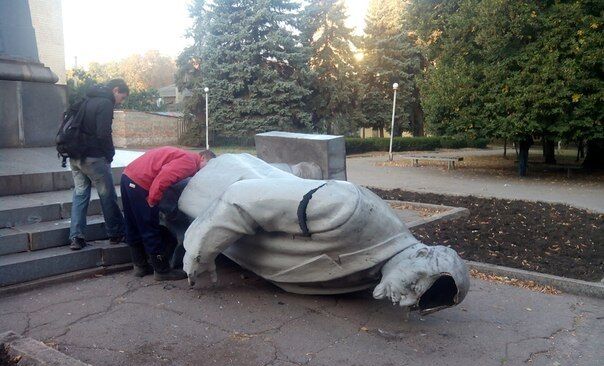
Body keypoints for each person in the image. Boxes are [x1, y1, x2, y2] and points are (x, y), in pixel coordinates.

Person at [178, 153, 470, 316]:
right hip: (204, 191)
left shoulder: (378, 268)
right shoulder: (348, 208)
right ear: (420, 253)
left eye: (416, 303)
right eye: (416, 287)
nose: (406, 302)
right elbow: (242, 196)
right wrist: (201, 249)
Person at [121, 146, 215, 280]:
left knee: (132, 224)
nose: (207, 170)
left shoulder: (183, 155)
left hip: (128, 177)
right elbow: (164, 178)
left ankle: (140, 266)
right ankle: (161, 271)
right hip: (140, 183)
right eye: (208, 165)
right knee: (149, 228)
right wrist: (153, 200)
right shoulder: (189, 161)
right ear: (203, 157)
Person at [68, 79, 129, 250]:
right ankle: (116, 233)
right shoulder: (105, 103)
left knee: (80, 195)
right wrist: (110, 154)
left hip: (75, 156)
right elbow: (103, 133)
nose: (120, 102)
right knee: (107, 195)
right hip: (94, 157)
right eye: (121, 98)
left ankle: (76, 237)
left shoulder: (86, 99)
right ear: (115, 90)